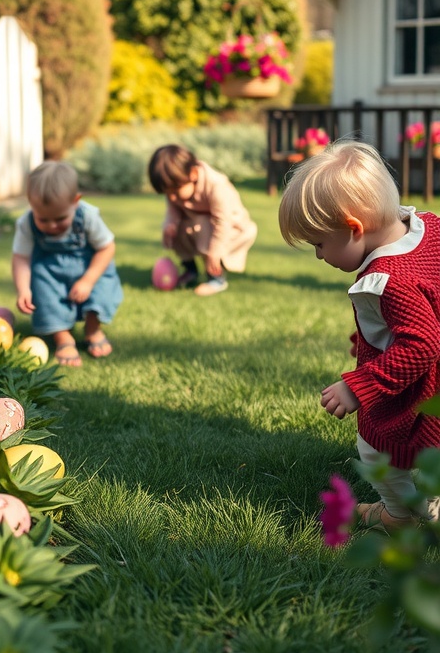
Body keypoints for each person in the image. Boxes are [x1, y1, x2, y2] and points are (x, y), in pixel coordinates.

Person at [278, 139, 440, 532]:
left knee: (376, 446)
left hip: (419, 389)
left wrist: (358, 386)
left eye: (319, 243)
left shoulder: (387, 281)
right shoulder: (429, 227)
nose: (319, 255)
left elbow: (421, 345)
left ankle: (398, 515)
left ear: (354, 228)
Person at [12, 160, 123, 367]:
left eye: (60, 218)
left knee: (103, 288)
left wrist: (88, 281)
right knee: (44, 289)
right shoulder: (26, 223)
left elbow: (107, 248)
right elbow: (21, 257)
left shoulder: (88, 216)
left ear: (76, 201)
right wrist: (23, 289)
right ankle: (63, 337)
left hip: (89, 267)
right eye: (43, 220)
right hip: (50, 270)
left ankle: (92, 329)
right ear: (31, 204)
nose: (52, 225)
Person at [148, 144, 258, 296]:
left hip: (232, 229)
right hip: (203, 223)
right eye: (167, 193)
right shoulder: (177, 187)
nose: (172, 197)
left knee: (202, 225)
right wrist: (170, 225)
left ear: (193, 174)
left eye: (175, 191)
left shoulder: (216, 186)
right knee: (179, 228)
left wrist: (215, 251)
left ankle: (216, 278)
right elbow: (173, 211)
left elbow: (223, 222)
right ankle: (191, 270)